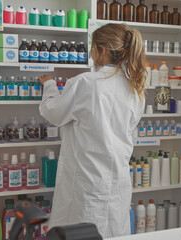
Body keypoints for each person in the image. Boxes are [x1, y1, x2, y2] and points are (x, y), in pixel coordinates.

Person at [38, 23, 146, 238]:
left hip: (86, 182)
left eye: (93, 47)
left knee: (81, 232)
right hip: (118, 179)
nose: (90, 52)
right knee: (113, 231)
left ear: (103, 50)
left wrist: (49, 85)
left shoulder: (86, 82)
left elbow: (54, 113)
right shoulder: (135, 87)